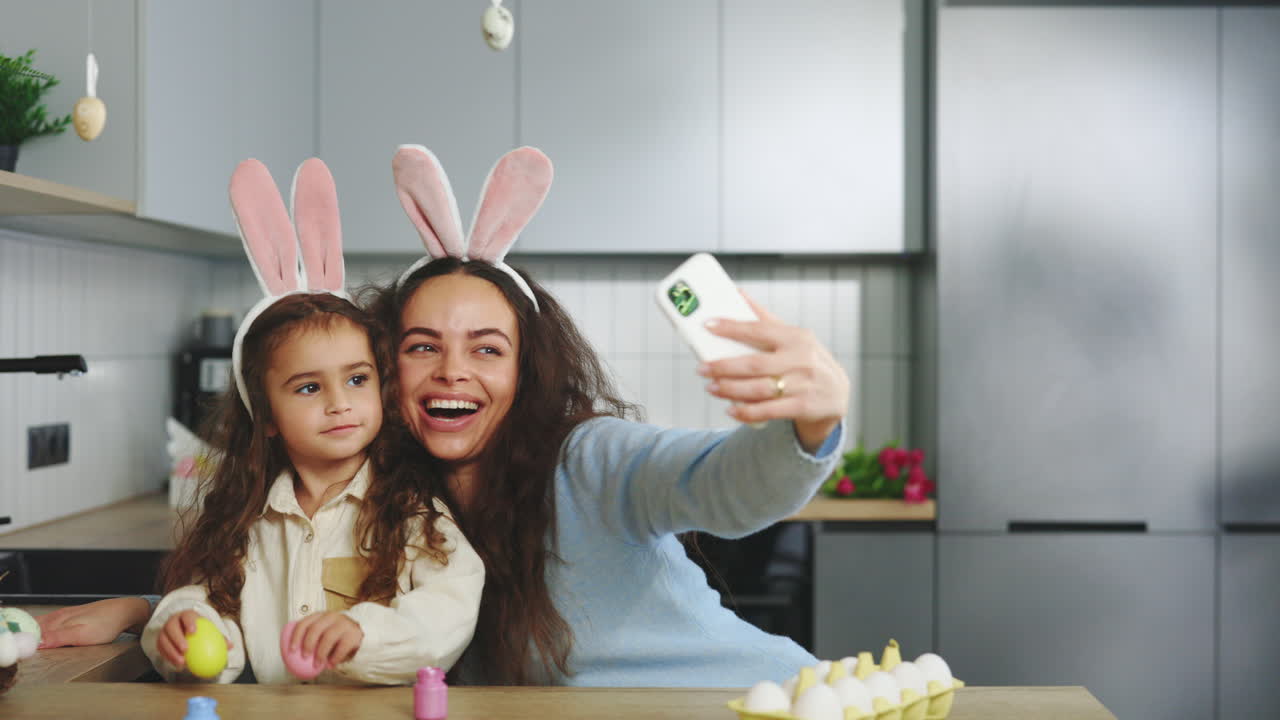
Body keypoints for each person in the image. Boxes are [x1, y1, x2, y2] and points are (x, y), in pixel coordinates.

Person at [39, 146, 847, 688]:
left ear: (527, 370)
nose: (454, 370)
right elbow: (281, 581)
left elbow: (726, 487)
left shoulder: (591, 461)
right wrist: (151, 610)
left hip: (753, 700)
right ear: (385, 371)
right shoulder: (388, 490)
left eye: (487, 349)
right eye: (423, 346)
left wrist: (807, 426)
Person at [141, 158, 482, 684]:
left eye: (356, 379)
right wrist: (184, 626)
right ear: (267, 414)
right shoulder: (246, 519)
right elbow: (207, 603)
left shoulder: (411, 510)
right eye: (307, 387)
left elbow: (451, 606)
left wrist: (367, 635)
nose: (338, 403)